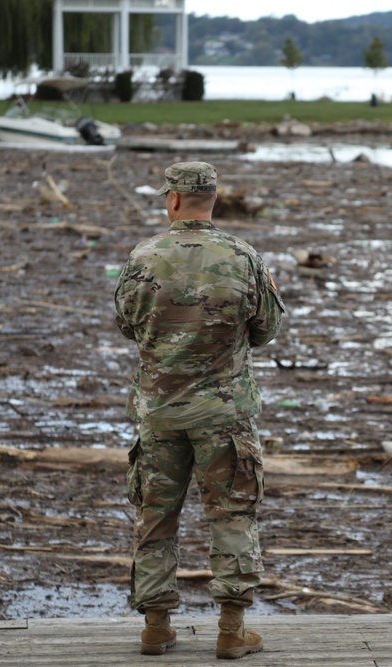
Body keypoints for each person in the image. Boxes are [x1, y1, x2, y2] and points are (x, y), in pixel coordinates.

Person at [114, 161, 285, 659]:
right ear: (214, 199)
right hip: (223, 414)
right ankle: (231, 630)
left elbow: (127, 323)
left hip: (160, 414)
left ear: (172, 200)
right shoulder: (243, 256)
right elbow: (265, 329)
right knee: (232, 515)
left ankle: (156, 626)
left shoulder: (143, 256)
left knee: (155, 517)